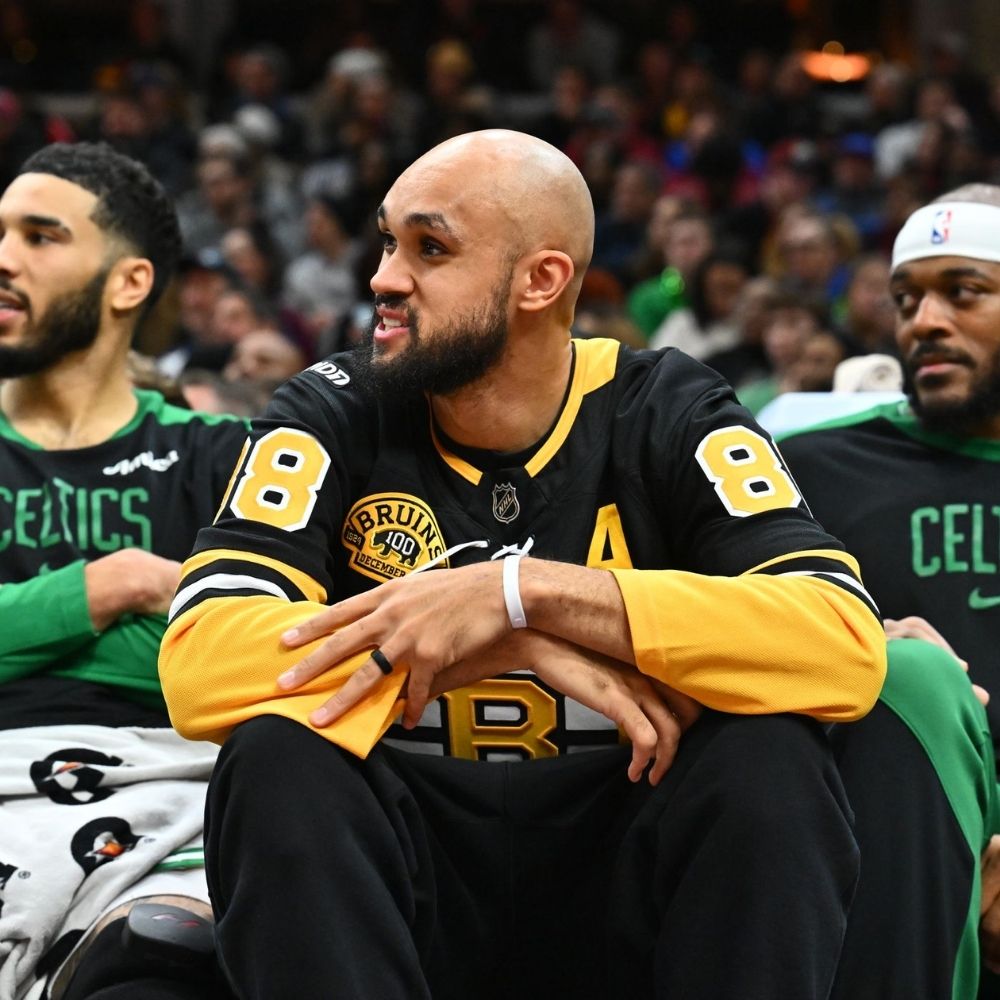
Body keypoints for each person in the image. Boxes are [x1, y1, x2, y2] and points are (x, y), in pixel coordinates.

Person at [159, 129, 886, 1000]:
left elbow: (842, 642)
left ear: (542, 281)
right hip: (407, 886)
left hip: (624, 869)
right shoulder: (332, 408)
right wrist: (508, 641)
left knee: (771, 758)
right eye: (389, 241)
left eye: (430, 249)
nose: (385, 277)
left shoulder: (669, 406)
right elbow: (199, 665)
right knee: (276, 760)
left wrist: (520, 590)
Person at [0, 142, 246, 999]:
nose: (2, 258)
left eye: (40, 236)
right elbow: (210, 639)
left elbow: (274, 654)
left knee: (160, 967)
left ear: (128, 283)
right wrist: (123, 588)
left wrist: (25, 627)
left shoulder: (224, 457)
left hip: (168, 798)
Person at [779, 184, 1000, 997]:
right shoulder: (807, 465)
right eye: (906, 299)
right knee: (909, 682)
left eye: (964, 292)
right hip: (883, 831)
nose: (924, 323)